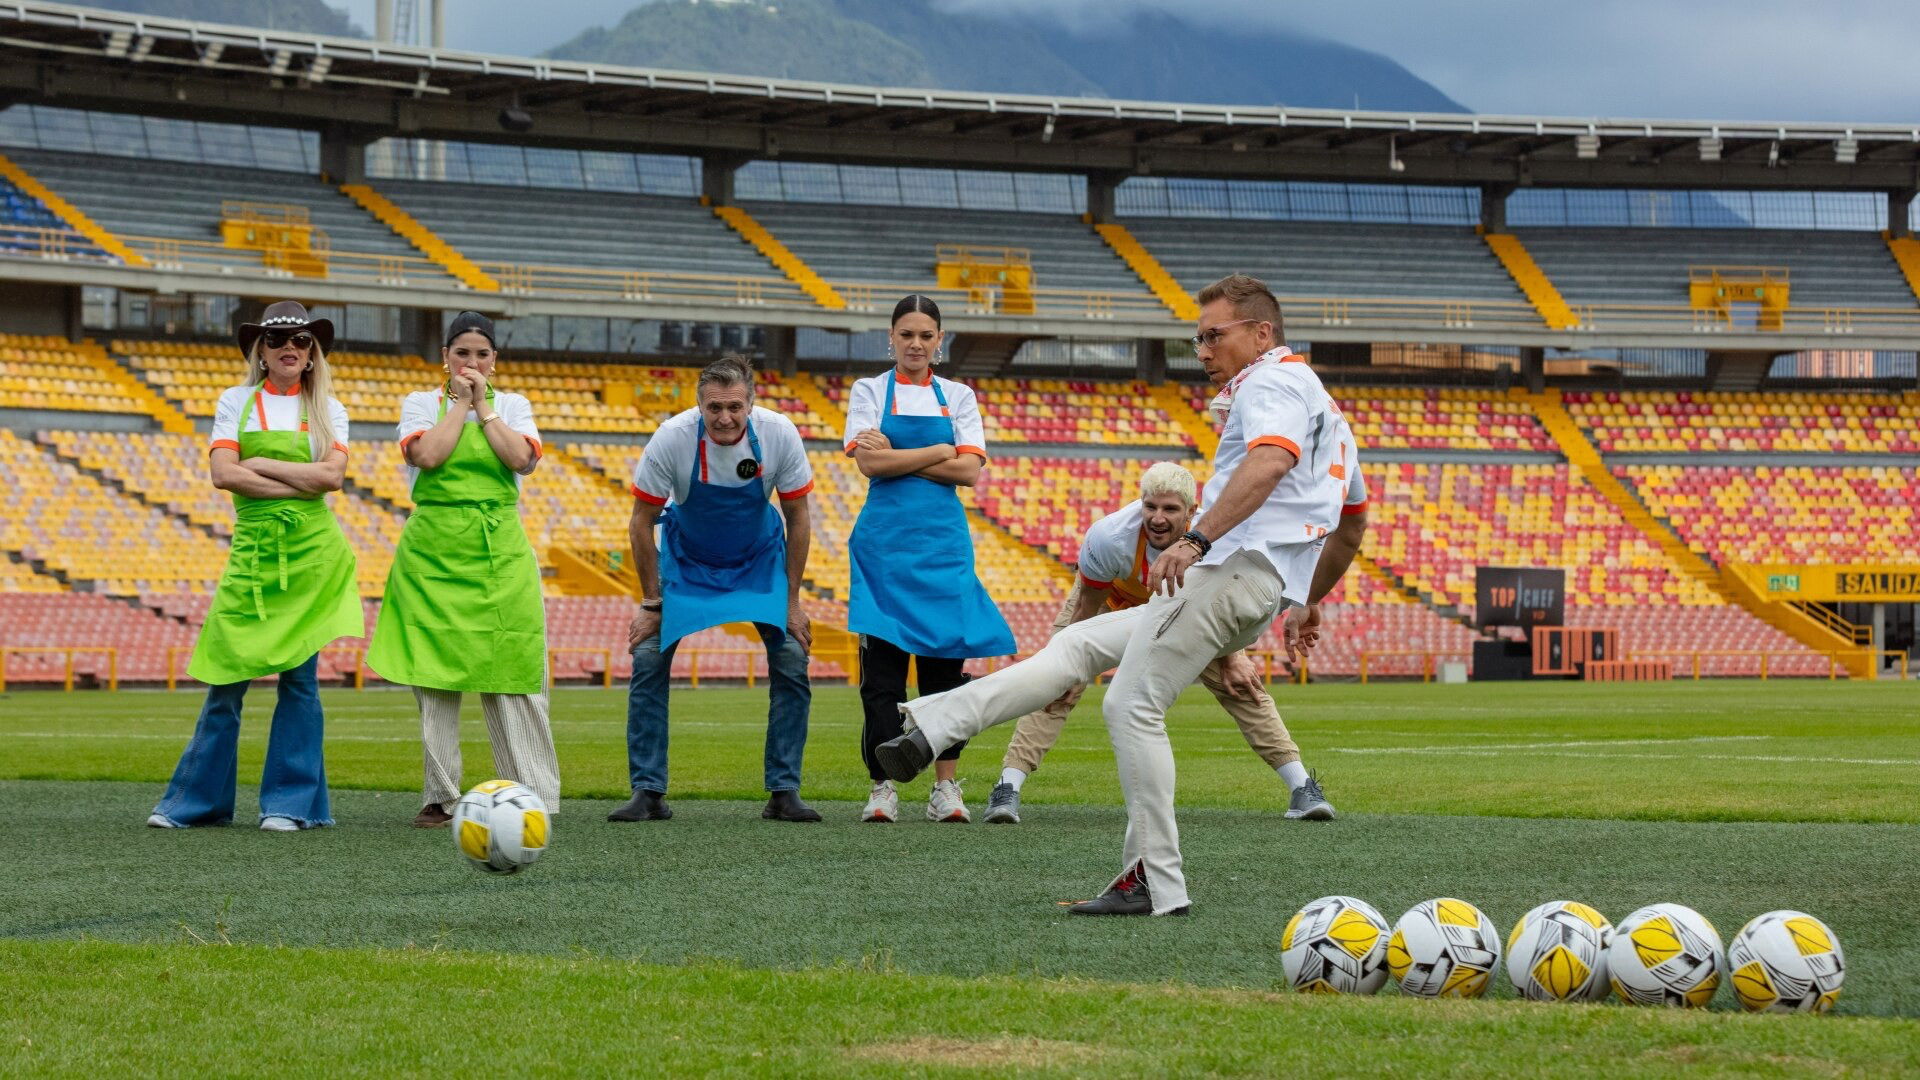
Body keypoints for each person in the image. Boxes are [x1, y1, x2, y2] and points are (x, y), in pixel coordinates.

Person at [875, 274, 1364, 915]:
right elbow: (1350, 525)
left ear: (1262, 333)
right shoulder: (1326, 407)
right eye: (1198, 338)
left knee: (1130, 706)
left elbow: (1270, 460)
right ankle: (932, 727)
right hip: (1247, 584)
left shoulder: (1272, 383)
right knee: (1077, 644)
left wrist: (1196, 539)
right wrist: (1306, 598)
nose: (1204, 349)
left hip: (1227, 573)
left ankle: (1156, 883)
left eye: (1215, 334)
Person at [981, 461, 1336, 825]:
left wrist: (1232, 655)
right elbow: (1086, 608)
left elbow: (1221, 607)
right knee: (1055, 682)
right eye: (1150, 507)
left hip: (1181, 603)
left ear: (1191, 513)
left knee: (1240, 683)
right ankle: (1008, 787)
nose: (1157, 518)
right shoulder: (1110, 537)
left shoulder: (1218, 540)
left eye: (1170, 509)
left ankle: (1302, 787)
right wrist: (1068, 665)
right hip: (1111, 598)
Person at [147, 301, 362, 831]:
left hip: (313, 556)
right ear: (260, 351)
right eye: (277, 339)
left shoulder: (332, 410)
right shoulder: (236, 400)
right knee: (225, 679)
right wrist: (297, 477)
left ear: (313, 354)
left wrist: (260, 463)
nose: (290, 347)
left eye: (301, 341)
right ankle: (195, 805)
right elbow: (224, 475)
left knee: (301, 682)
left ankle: (289, 806)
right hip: (253, 552)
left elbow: (332, 480)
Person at [366, 311, 561, 827]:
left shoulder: (514, 406)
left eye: (481, 354)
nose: (471, 363)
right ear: (445, 358)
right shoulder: (419, 404)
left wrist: (485, 408)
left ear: (495, 361)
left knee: (516, 670)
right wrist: (458, 404)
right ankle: (441, 795)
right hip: (433, 551)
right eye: (462, 353)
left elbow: (520, 459)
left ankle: (531, 792)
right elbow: (429, 455)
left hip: (499, 546)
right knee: (433, 677)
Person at [612, 355, 822, 824]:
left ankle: (784, 791)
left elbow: (799, 516)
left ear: (751, 403)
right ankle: (648, 792)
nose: (724, 418)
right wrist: (651, 603)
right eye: (714, 408)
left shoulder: (780, 434)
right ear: (698, 406)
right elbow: (640, 524)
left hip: (759, 560)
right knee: (647, 656)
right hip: (689, 562)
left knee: (791, 655)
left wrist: (792, 602)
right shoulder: (671, 437)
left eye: (734, 407)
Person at [844, 294, 1015, 824]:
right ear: (890, 338)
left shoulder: (960, 395)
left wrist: (900, 457)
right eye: (906, 334)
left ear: (939, 340)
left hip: (942, 549)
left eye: (925, 335)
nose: (915, 343)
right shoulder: (868, 389)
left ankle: (946, 789)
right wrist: (941, 451)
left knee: (945, 676)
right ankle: (883, 788)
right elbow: (868, 464)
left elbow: (969, 473)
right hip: (884, 551)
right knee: (882, 680)